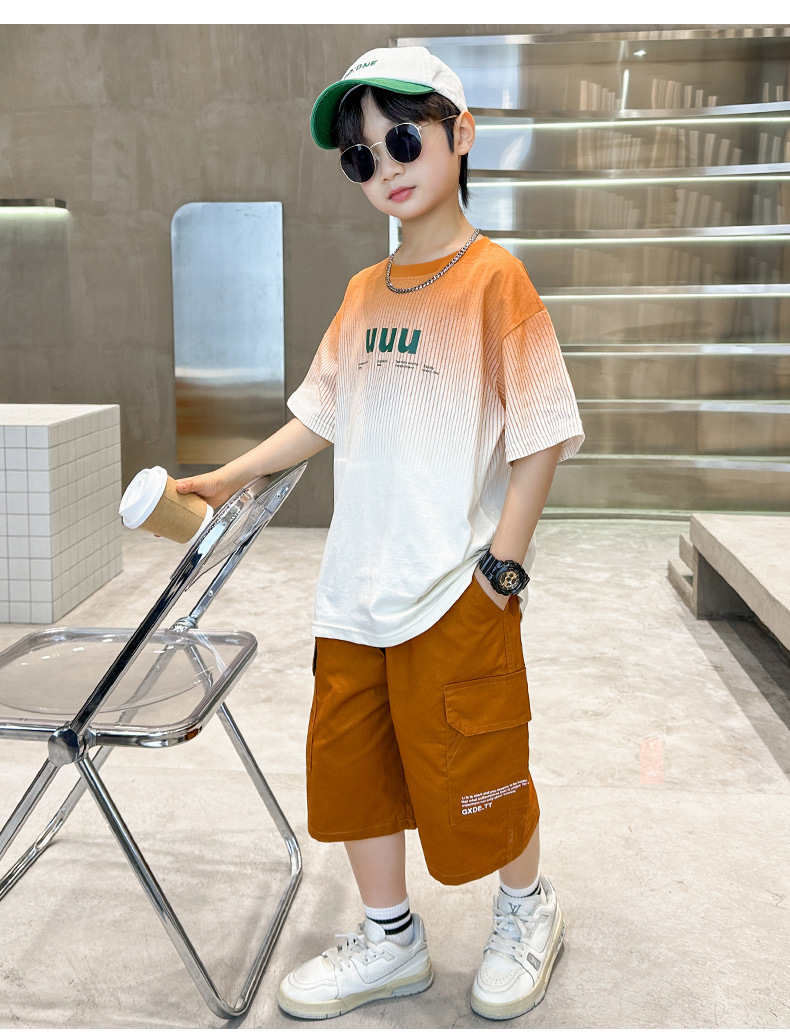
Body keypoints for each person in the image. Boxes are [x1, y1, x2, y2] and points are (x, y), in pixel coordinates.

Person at [176, 44, 585, 1022]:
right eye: (360, 155)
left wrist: (502, 571)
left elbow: (541, 435)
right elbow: (319, 412)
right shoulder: (363, 293)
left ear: (460, 133)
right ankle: (390, 937)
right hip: (353, 589)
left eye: (402, 139)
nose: (384, 167)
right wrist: (231, 475)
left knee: (479, 767)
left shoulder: (496, 282)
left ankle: (527, 907)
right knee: (354, 771)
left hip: (453, 587)